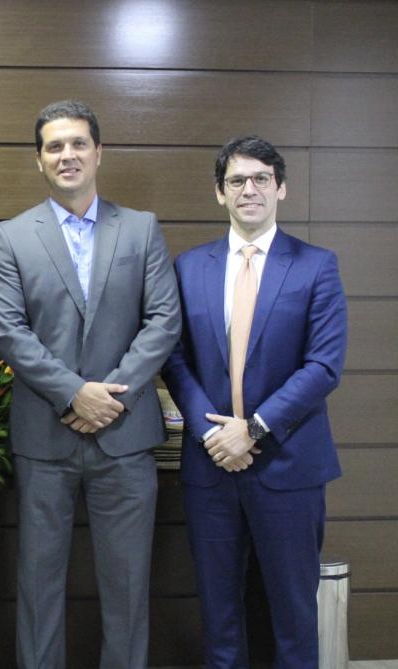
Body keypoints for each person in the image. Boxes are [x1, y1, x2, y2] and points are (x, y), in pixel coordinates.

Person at [0, 100, 181, 669]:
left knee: (128, 588)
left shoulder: (140, 228)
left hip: (125, 438)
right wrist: (74, 393)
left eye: (77, 144)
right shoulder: (11, 237)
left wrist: (108, 397)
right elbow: (10, 331)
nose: (66, 155)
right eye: (54, 146)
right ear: (39, 159)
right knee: (38, 586)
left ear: (99, 152)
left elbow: (163, 321)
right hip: (45, 440)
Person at [162, 136, 347, 668]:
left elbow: (324, 366)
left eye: (261, 178)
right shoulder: (188, 268)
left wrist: (255, 428)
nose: (250, 189)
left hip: (289, 467)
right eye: (237, 180)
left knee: (293, 614)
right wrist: (213, 434)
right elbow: (174, 359)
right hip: (211, 467)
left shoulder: (316, 266)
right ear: (220, 192)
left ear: (280, 188)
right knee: (220, 614)